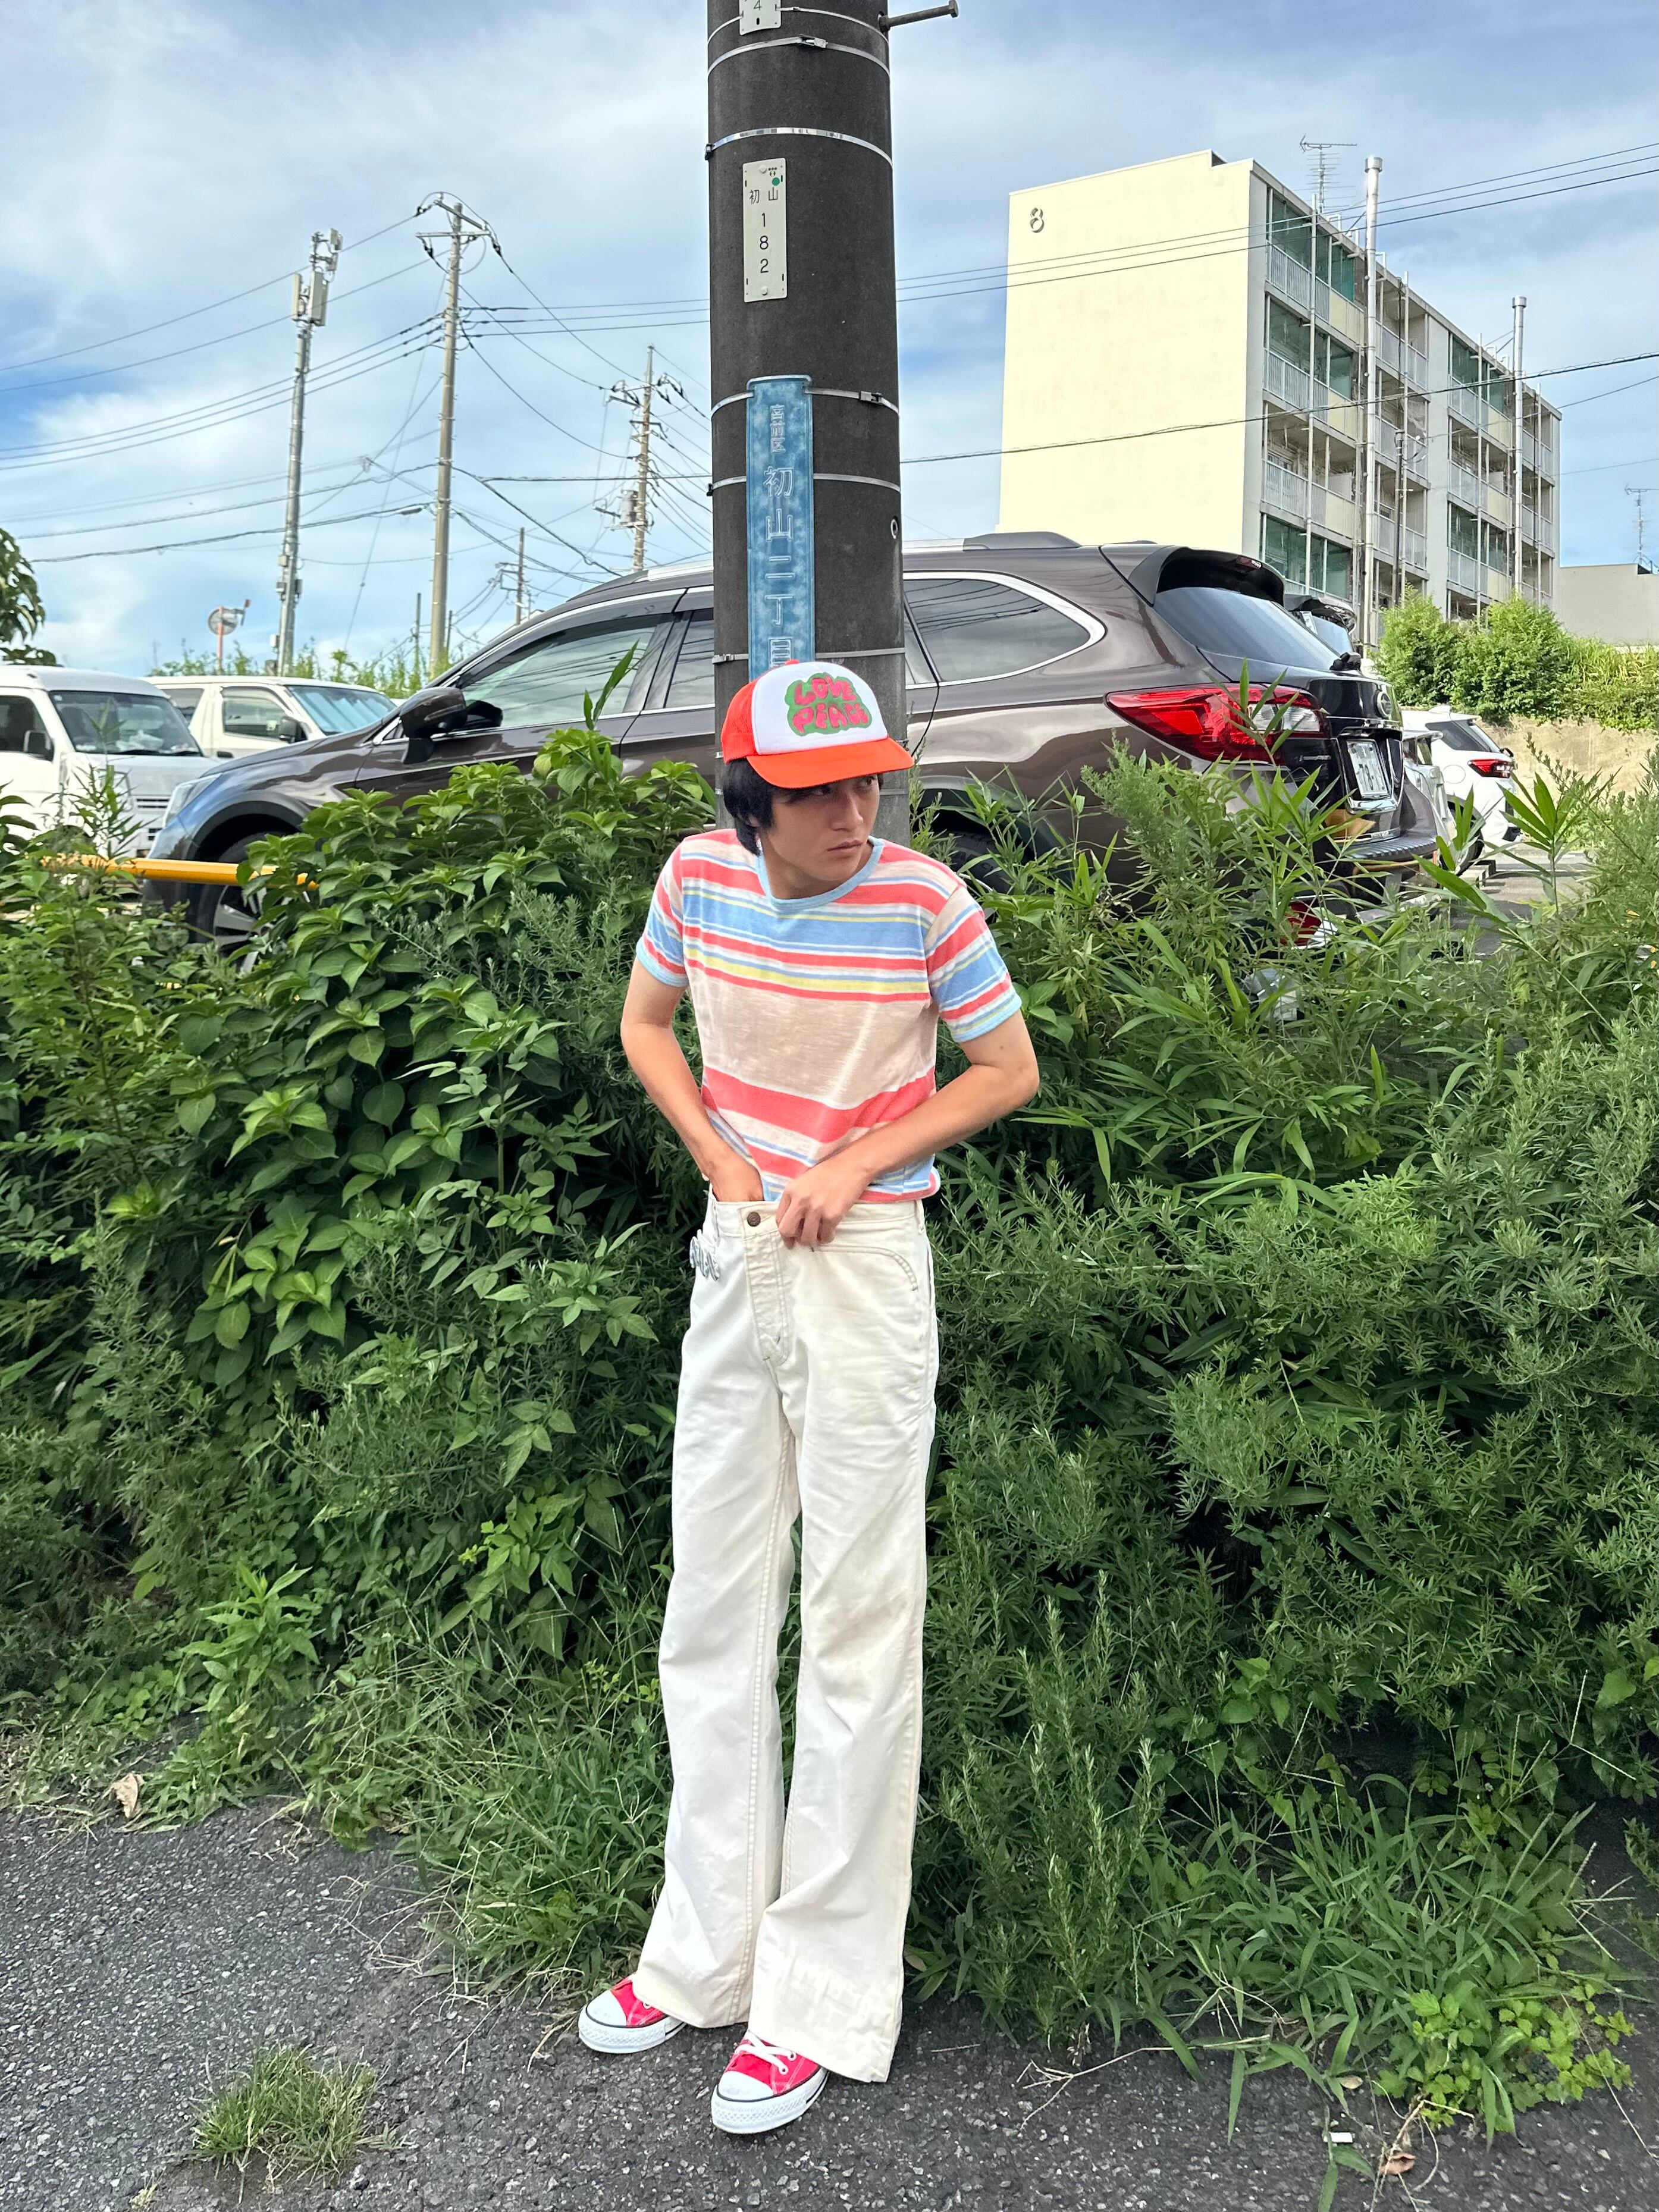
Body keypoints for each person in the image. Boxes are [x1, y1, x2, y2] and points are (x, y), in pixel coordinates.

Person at [577, 659, 1039, 2135]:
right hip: (737, 1248)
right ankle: (704, 1955)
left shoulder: (923, 903)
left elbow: (1006, 1067)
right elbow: (647, 1025)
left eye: (869, 783)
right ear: (750, 804)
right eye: (820, 792)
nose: (855, 812)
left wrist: (855, 1161)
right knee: (712, 1603)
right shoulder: (698, 879)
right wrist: (722, 1160)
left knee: (855, 1617)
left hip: (865, 1261)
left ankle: (818, 1999)